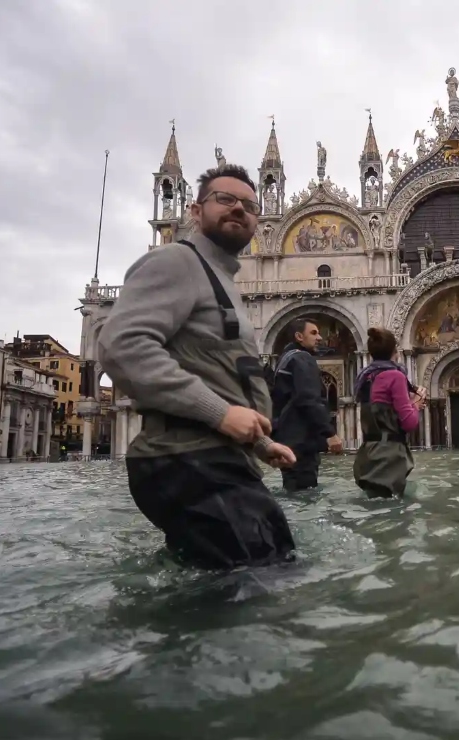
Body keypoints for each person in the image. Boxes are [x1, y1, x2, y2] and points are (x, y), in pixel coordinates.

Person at [98, 163, 298, 570]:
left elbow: (223, 376)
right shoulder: (177, 261)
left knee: (272, 571)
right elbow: (121, 346)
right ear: (194, 210)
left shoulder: (221, 280)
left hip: (216, 461)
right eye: (224, 199)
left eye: (248, 205)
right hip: (189, 461)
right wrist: (221, 414)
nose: (238, 209)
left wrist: (261, 444)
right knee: (252, 593)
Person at [269, 319, 343, 492]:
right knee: (305, 495)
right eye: (314, 333)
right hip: (301, 443)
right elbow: (308, 399)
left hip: (286, 441)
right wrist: (330, 433)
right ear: (299, 336)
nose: (320, 337)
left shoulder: (285, 359)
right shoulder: (302, 358)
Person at [351, 327, 425, 498]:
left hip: (367, 456)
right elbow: (409, 423)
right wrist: (416, 404)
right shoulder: (395, 376)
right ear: (396, 351)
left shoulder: (365, 377)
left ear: (371, 354)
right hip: (389, 458)